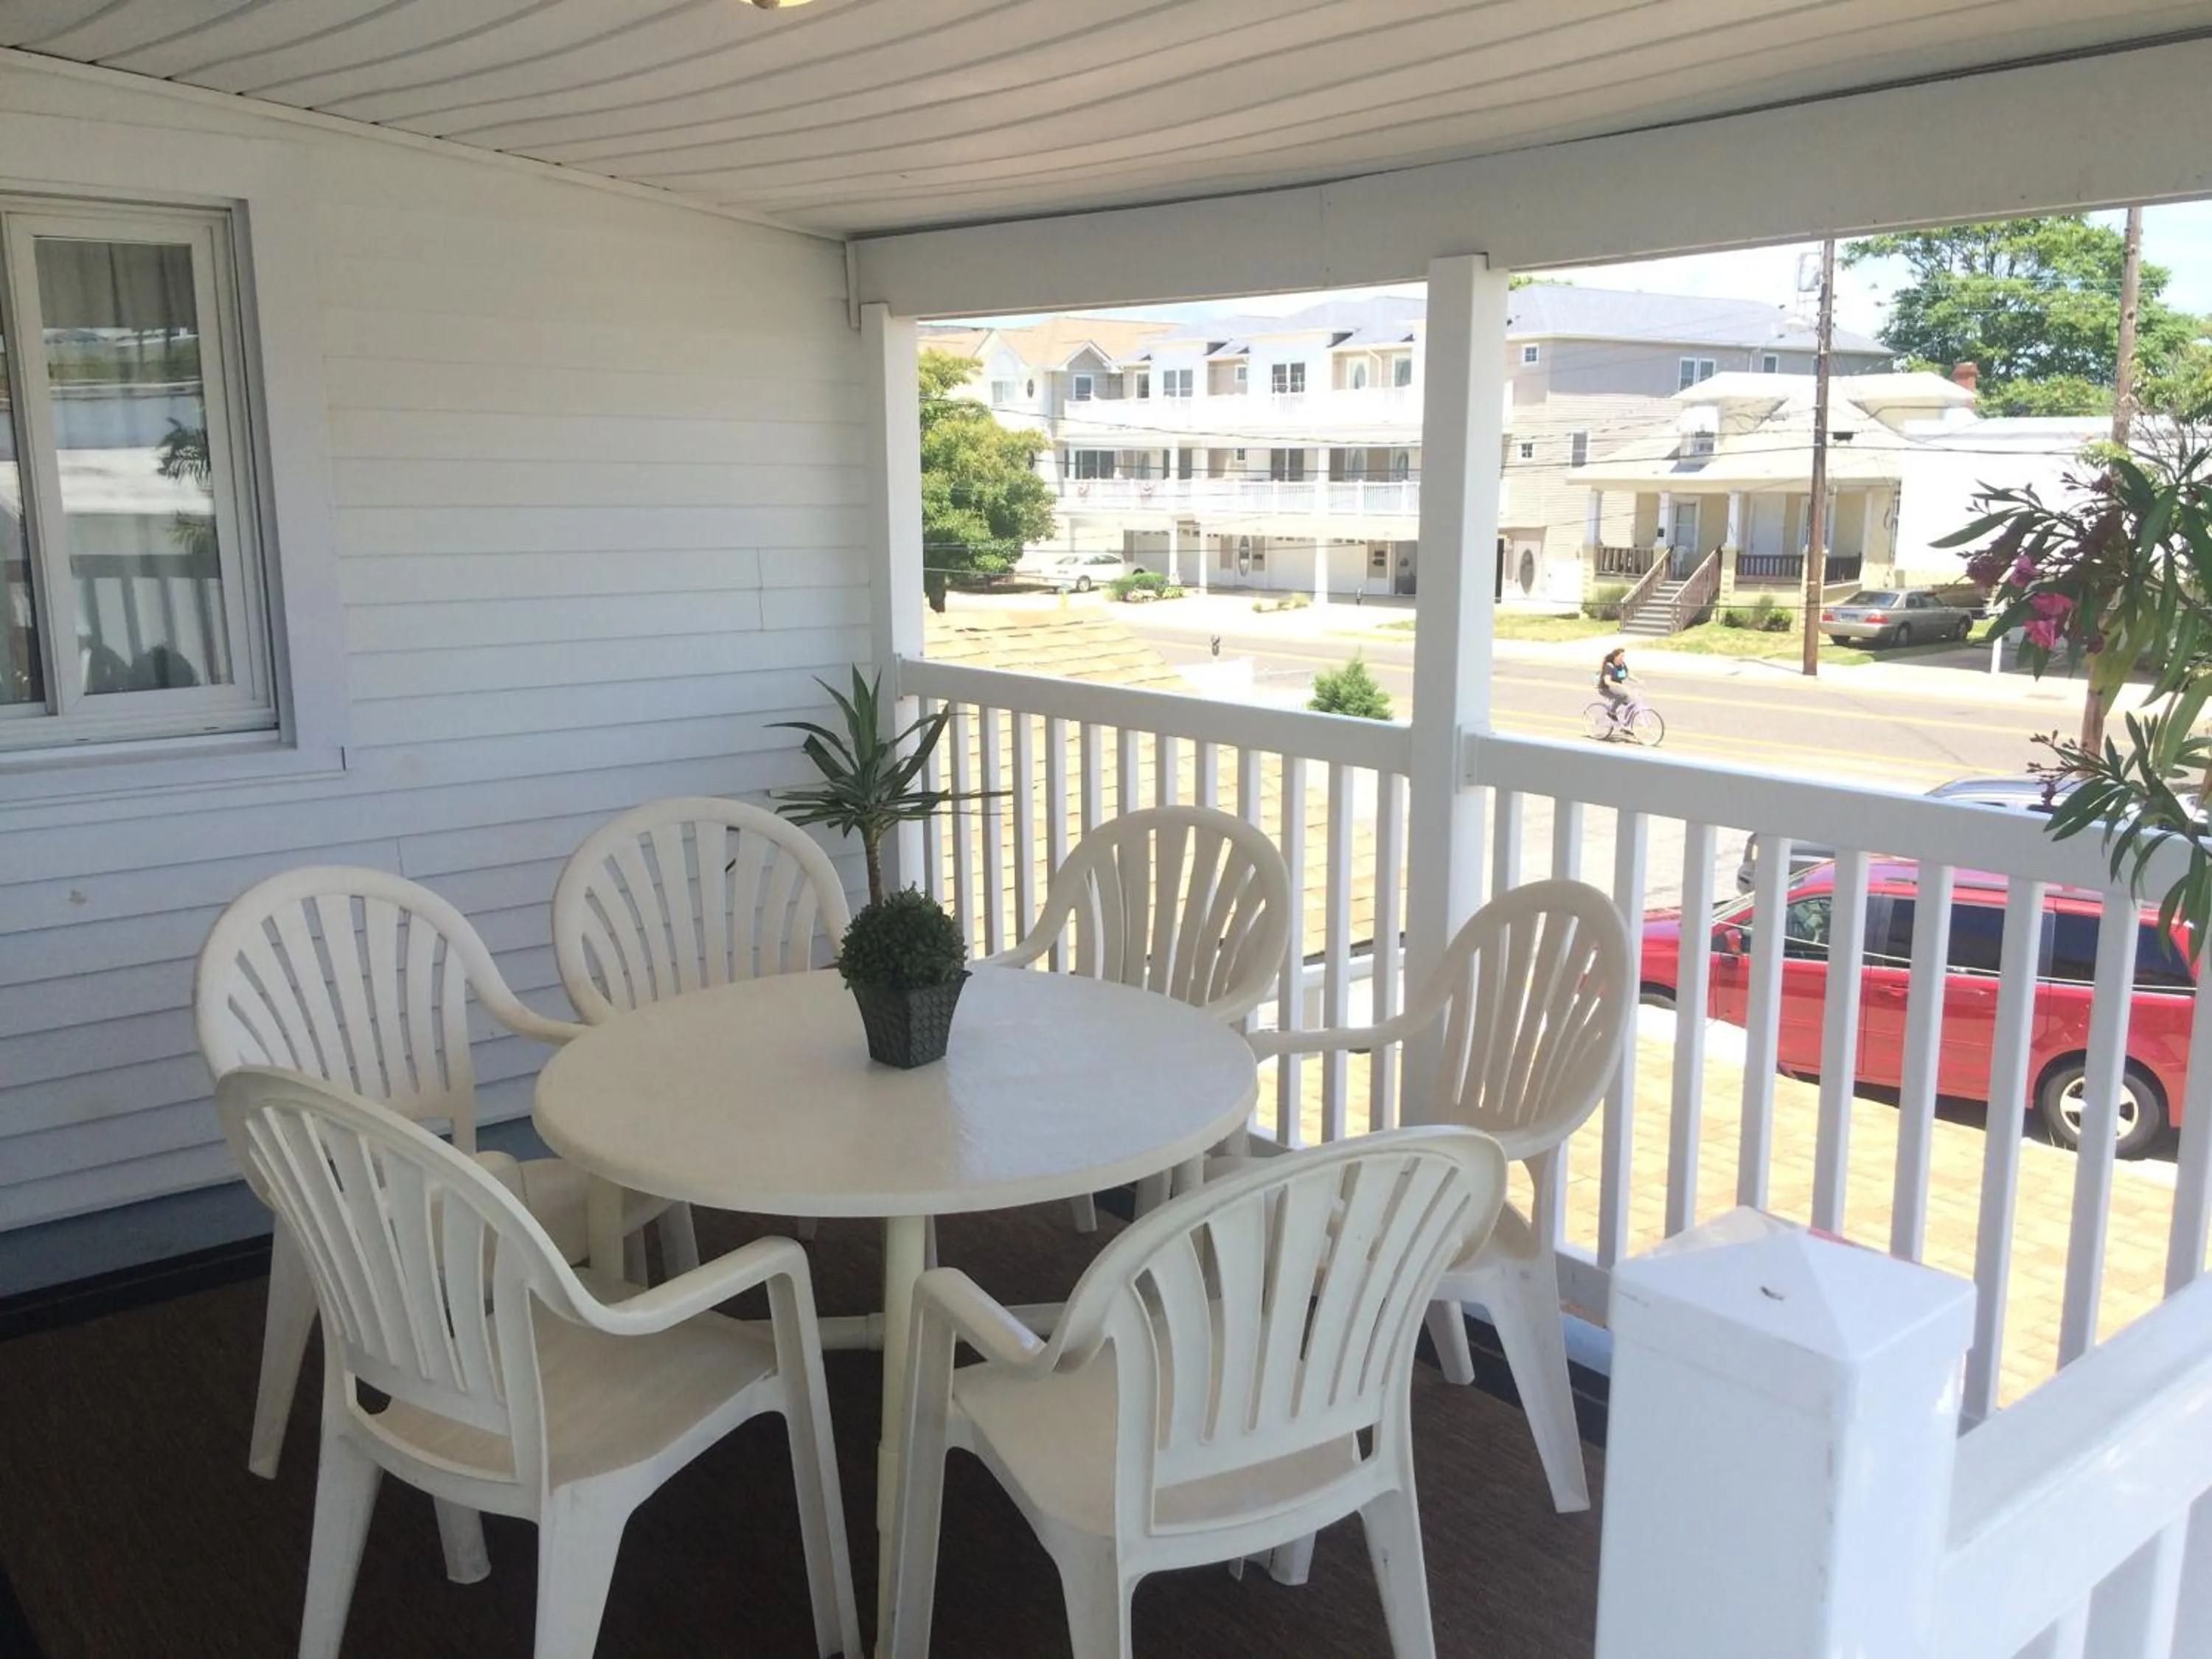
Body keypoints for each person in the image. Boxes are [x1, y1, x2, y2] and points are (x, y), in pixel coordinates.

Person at [1597, 645, 1632, 730]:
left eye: (1623, 657)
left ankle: (1626, 726)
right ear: (1615, 657)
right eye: (1621, 656)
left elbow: (1628, 675)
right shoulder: (1609, 666)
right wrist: (1620, 685)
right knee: (1622, 695)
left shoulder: (1622, 665)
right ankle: (1611, 713)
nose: (1623, 658)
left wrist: (1639, 681)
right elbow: (1607, 682)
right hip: (1605, 689)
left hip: (1616, 689)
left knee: (1631, 704)